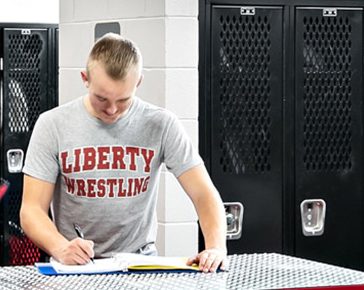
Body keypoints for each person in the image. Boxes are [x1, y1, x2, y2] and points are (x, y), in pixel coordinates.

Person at [19, 35, 229, 272]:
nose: (111, 109)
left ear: (138, 82)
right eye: (102, 98)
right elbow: (31, 210)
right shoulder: (52, 125)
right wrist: (60, 247)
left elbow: (203, 193)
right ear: (84, 79)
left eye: (123, 100)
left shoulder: (162, 124)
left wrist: (216, 248)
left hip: (140, 264)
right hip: (75, 267)